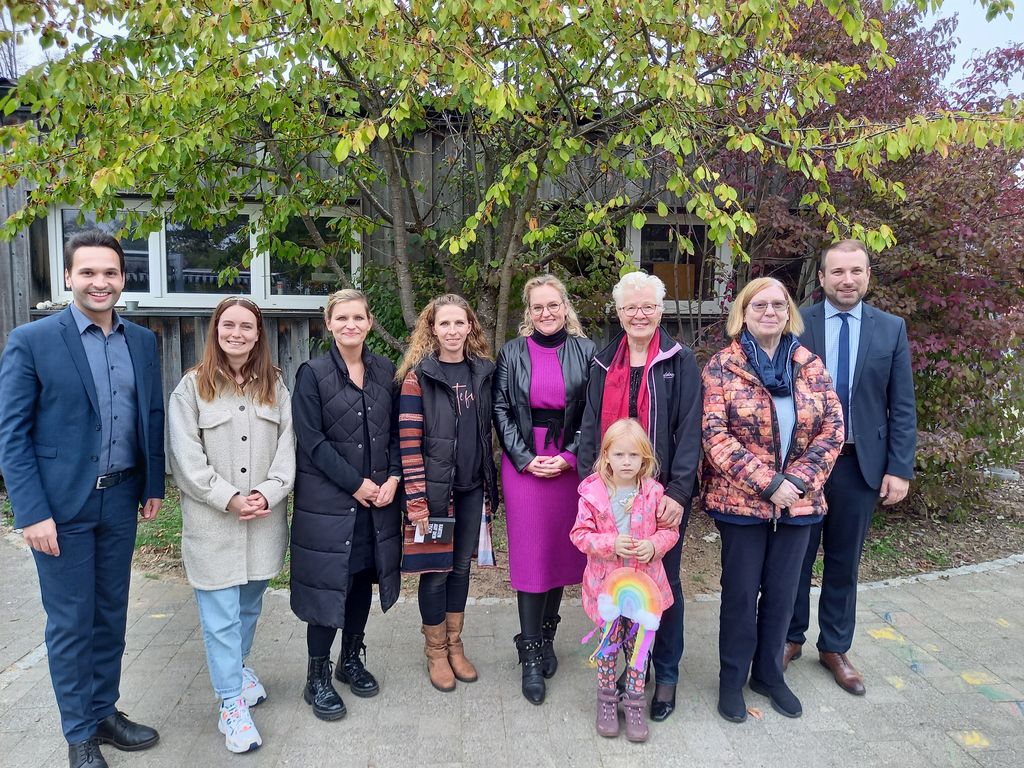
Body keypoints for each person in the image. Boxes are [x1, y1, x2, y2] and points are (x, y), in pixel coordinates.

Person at [0, 230, 164, 768]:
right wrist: (32, 513)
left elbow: (150, 417)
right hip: (59, 510)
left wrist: (153, 483)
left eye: (110, 273)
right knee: (70, 622)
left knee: (111, 614)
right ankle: (78, 734)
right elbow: (13, 436)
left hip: (119, 501)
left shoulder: (141, 341)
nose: (101, 282)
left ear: (123, 278)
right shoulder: (33, 341)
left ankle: (103, 712)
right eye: (88, 272)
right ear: (68, 276)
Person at [701, 277, 844, 723]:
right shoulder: (722, 366)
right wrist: (768, 483)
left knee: (784, 593)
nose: (769, 311)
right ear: (743, 312)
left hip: (799, 505)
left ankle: (768, 675)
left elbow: (833, 428)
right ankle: (732, 679)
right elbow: (714, 435)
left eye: (778, 304)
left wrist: (796, 483)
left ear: (789, 312)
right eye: (759, 304)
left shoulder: (809, 364)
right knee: (741, 596)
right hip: (741, 504)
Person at [785, 239, 917, 695]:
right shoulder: (798, 323)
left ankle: (835, 646)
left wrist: (900, 468)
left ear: (867, 276)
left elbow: (901, 405)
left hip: (861, 464)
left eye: (855, 271)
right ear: (821, 278)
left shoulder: (890, 329)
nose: (847, 280)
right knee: (796, 557)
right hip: (804, 467)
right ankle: (789, 637)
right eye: (837, 272)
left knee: (844, 561)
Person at [167, 296, 295, 753]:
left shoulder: (275, 386)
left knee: (248, 607)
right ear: (215, 331)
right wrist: (229, 498)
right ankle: (229, 704)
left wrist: (269, 490)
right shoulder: (191, 388)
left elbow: (288, 445)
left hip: (262, 521)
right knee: (219, 617)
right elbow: (185, 459)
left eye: (246, 326)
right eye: (228, 325)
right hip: (214, 524)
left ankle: (236, 668)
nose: (237, 333)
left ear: (258, 334)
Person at [577, 271, 702, 721]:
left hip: (660, 495)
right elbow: (591, 426)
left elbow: (690, 431)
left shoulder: (678, 360)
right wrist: (590, 486)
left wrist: (679, 491)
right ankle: (630, 669)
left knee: (661, 582)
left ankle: (664, 673)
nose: (639, 314)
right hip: (611, 493)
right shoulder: (601, 360)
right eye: (630, 307)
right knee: (616, 583)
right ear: (619, 312)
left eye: (648, 305)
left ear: (660, 310)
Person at [289, 289, 402, 722]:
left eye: (358, 317)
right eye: (342, 318)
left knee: (360, 580)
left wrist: (392, 477)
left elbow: (395, 432)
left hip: (378, 502)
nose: (350, 324)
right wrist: (357, 485)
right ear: (329, 324)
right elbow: (313, 441)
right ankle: (315, 675)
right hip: (331, 503)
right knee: (327, 586)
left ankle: (349, 659)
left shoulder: (385, 371)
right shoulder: (312, 374)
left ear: (369, 322)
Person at [493, 274, 596, 704]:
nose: (546, 313)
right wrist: (524, 457)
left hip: (568, 465)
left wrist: (570, 456)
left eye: (553, 305)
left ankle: (547, 636)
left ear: (565, 307)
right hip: (525, 466)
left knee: (558, 555)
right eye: (537, 307)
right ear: (527, 312)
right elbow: (500, 407)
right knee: (532, 559)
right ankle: (530, 652)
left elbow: (593, 410)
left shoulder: (586, 351)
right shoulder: (512, 352)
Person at [396, 294, 497, 692]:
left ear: (470, 326)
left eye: (460, 323)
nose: (452, 331)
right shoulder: (419, 377)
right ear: (432, 329)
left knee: (461, 569)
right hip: (435, 496)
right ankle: (436, 652)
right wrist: (417, 499)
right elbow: (407, 441)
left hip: (473, 490)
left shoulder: (484, 372)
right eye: (444, 324)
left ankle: (456, 645)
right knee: (435, 573)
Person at [570, 418, 679, 743]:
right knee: (607, 649)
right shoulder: (592, 493)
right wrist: (609, 544)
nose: (627, 462)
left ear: (644, 459)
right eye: (619, 455)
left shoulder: (654, 492)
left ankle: (633, 703)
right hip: (606, 592)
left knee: (639, 651)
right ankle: (606, 701)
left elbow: (669, 531)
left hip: (645, 593)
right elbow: (579, 535)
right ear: (606, 457)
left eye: (634, 456)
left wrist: (654, 546)